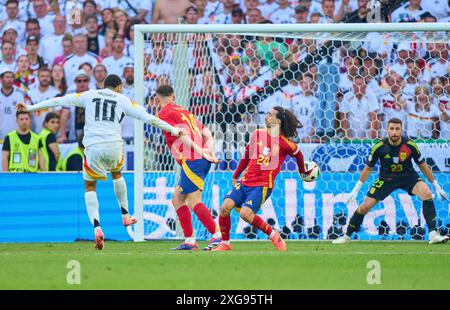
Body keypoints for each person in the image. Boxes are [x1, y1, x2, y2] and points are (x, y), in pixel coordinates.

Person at [17, 74, 185, 250]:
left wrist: (30, 107)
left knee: (90, 186)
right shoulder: (123, 99)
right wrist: (173, 129)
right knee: (117, 174)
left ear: (104, 86)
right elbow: (148, 118)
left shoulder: (88, 95)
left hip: (93, 146)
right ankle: (126, 215)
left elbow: (58, 100)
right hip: (113, 145)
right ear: (119, 87)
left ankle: (97, 227)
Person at [333, 118, 449, 245]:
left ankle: (433, 235)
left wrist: (436, 186)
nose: (394, 132)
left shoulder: (410, 145)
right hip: (386, 179)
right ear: (387, 130)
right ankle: (346, 236)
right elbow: (367, 169)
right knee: (364, 207)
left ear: (401, 130)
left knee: (427, 194)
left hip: (408, 177)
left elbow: (422, 165)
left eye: (397, 129)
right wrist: (355, 190)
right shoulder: (379, 147)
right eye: (392, 129)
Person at [212, 107, 307, 252]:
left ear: (278, 121)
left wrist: (303, 173)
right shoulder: (257, 134)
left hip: (262, 185)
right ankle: (225, 243)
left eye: (270, 114)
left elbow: (299, 156)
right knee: (224, 208)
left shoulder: (286, 144)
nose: (266, 116)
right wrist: (236, 175)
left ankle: (273, 234)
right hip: (245, 181)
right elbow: (247, 156)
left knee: (245, 214)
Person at [155, 85, 222, 251]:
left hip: (193, 159)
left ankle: (218, 235)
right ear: (174, 96)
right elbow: (206, 132)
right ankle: (190, 240)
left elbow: (180, 135)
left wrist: (201, 152)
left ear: (157, 98)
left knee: (193, 201)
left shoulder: (163, 113)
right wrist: (209, 151)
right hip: (198, 159)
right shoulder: (185, 112)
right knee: (177, 198)